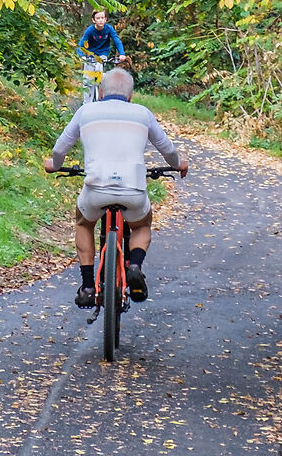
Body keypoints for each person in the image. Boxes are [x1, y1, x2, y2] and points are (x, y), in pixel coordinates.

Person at [44, 67, 186, 307]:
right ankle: (135, 266)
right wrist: (178, 164)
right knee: (141, 225)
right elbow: (167, 149)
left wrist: (53, 164)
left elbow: (60, 149)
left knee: (83, 223)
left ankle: (88, 286)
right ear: (130, 96)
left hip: (96, 189)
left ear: (100, 92)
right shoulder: (142, 113)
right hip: (133, 190)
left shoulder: (85, 111)